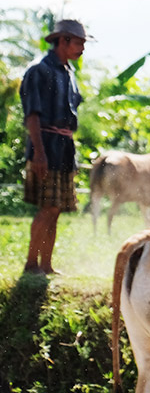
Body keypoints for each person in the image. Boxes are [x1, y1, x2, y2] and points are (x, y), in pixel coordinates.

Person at [20, 19, 90, 276]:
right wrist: (39, 153)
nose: (82, 47)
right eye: (79, 42)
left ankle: (46, 264)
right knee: (47, 207)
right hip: (46, 147)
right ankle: (31, 263)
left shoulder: (68, 73)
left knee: (56, 208)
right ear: (63, 41)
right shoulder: (39, 70)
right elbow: (33, 115)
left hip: (64, 149)